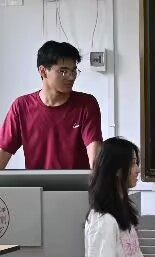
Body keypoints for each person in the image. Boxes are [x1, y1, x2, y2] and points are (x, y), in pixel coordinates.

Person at [0, 41, 102, 170]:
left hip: (77, 183)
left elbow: (94, 151)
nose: (71, 77)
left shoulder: (86, 104)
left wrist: (99, 178)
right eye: (63, 71)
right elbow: (3, 151)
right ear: (43, 71)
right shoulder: (21, 106)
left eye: (73, 71)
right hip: (36, 183)